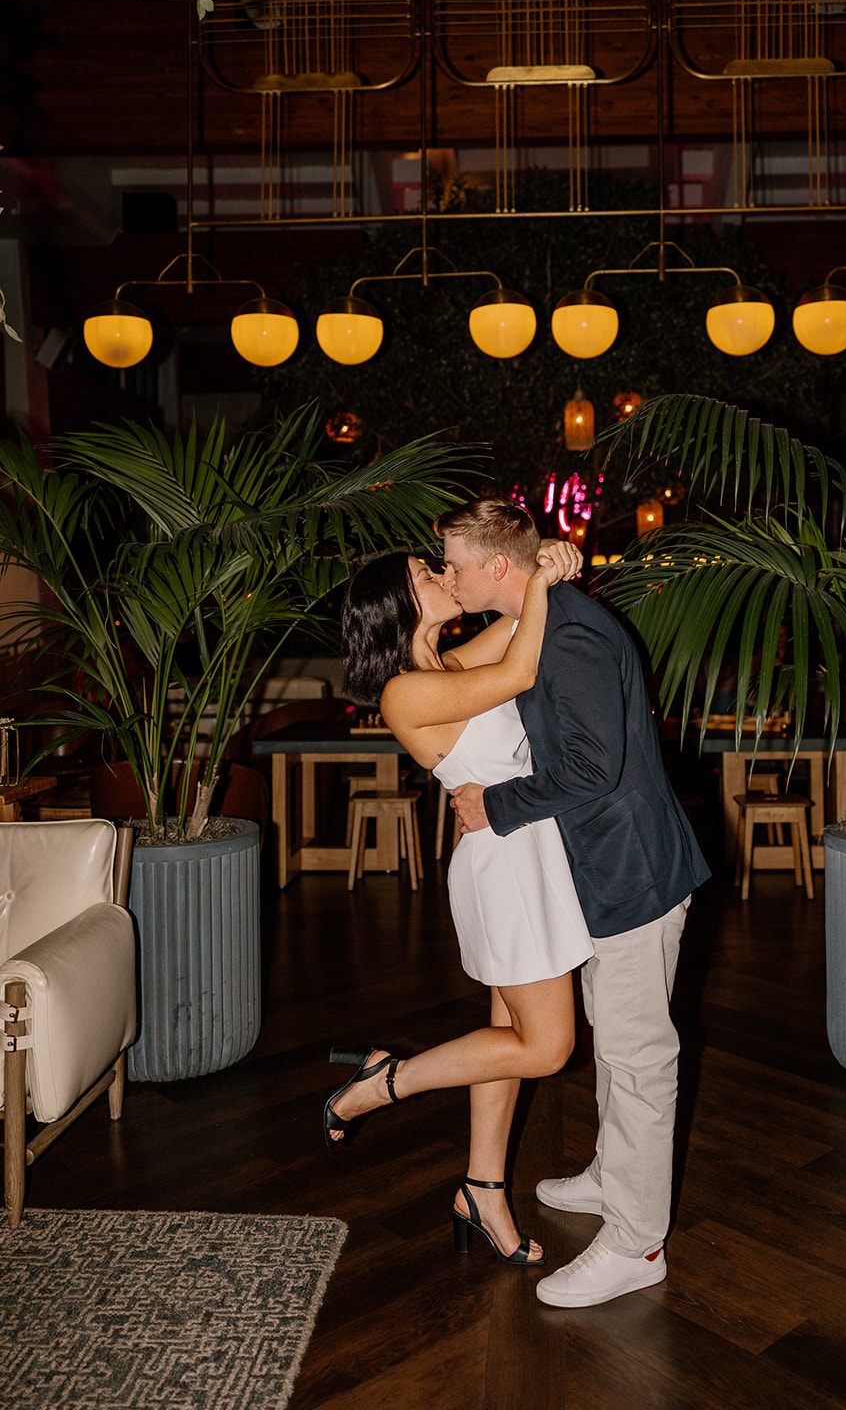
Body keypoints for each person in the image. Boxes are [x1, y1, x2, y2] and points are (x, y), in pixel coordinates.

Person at [438, 497, 712, 1309]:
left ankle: (636, 1243)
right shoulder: (545, 618)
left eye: (453, 562)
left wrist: (497, 805)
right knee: (616, 1036)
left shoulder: (573, 632)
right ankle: (612, 1176)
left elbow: (594, 769)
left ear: (496, 567)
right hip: (599, 870)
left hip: (629, 873)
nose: (448, 576)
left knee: (636, 1056)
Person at [326, 539, 591, 1268]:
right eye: (425, 575)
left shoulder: (447, 665)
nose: (444, 577)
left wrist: (547, 566)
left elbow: (515, 617)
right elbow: (521, 667)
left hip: (525, 855)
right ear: (398, 603)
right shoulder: (405, 692)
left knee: (506, 1039)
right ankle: (389, 1080)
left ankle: (482, 1189)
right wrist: (536, 586)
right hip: (504, 871)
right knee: (547, 1046)